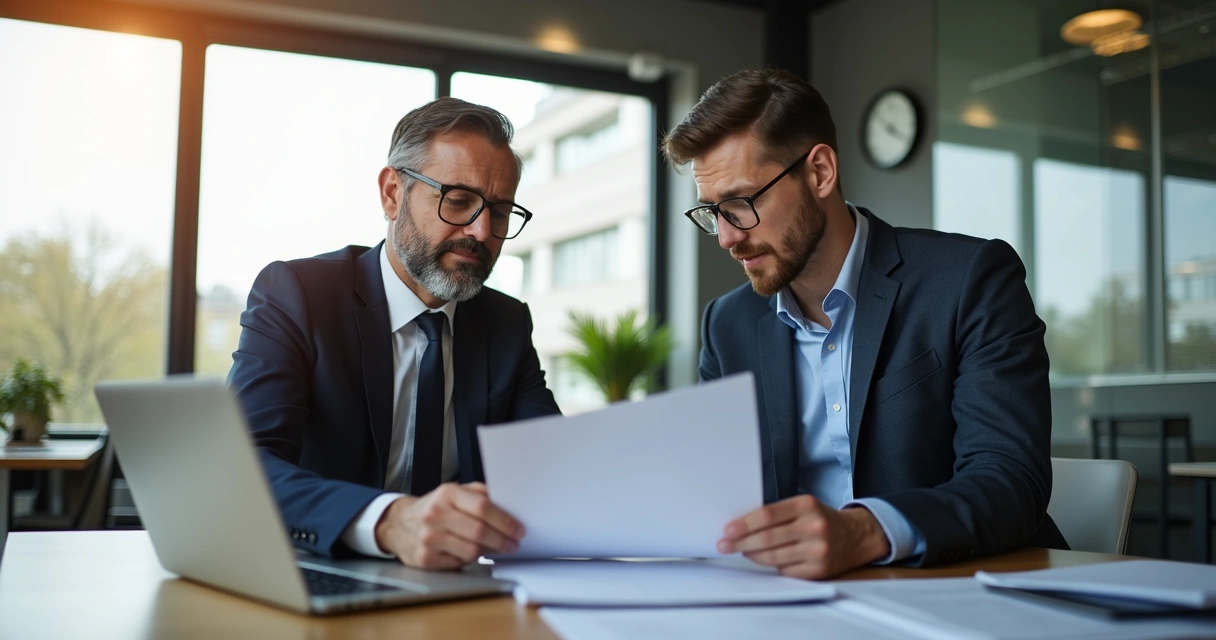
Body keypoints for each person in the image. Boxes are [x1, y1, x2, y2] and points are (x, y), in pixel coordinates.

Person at [662, 69, 1067, 580]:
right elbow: (715, 492)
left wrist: (863, 532)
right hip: (795, 599)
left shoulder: (969, 280)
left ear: (820, 172)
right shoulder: (728, 324)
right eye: (712, 212)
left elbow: (1011, 480)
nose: (726, 237)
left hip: (964, 586)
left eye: (742, 204)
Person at [228, 97, 560, 570]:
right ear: (392, 194)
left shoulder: (505, 323)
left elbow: (552, 469)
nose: (482, 231)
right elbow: (242, 466)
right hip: (315, 572)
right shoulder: (298, 295)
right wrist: (388, 522)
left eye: (501, 211)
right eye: (458, 201)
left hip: (458, 586)